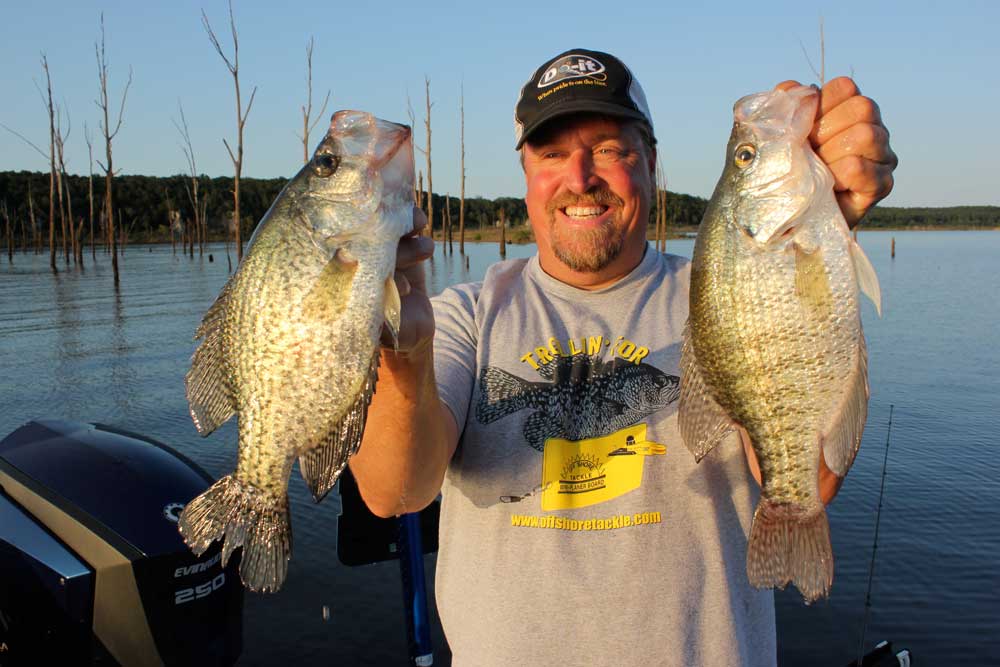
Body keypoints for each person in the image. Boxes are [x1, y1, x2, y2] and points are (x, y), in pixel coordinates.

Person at [349, 48, 897, 666]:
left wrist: (826, 230)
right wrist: (403, 347)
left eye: (609, 147)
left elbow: (806, 482)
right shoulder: (465, 315)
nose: (580, 177)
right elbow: (394, 493)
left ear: (652, 164)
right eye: (552, 153)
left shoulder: (724, 292)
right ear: (526, 171)